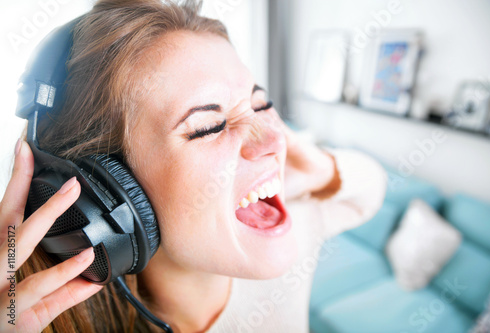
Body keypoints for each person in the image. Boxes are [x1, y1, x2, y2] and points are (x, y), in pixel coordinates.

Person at [0, 0, 386, 332]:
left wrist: (314, 167)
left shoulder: (286, 230)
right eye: (209, 127)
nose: (273, 140)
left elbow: (370, 188)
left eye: (260, 103)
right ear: (107, 194)